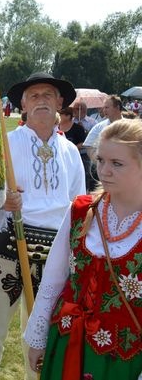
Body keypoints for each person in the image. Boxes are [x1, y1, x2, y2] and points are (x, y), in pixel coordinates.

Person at [0, 72, 86, 380]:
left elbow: (78, 206)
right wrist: (0, 201)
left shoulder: (70, 153)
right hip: (8, 252)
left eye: (48, 95)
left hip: (54, 258)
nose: (41, 100)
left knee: (40, 338)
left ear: (60, 103)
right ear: (22, 105)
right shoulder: (4, 147)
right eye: (34, 96)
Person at [24, 119, 142, 379]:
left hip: (122, 359)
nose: (104, 171)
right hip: (66, 342)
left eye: (117, 163)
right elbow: (53, 280)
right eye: (100, 160)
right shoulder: (81, 210)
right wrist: (37, 337)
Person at [83, 96, 124, 192]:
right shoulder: (99, 127)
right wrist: (99, 162)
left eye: (107, 107)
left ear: (117, 107)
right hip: (101, 174)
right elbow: (89, 145)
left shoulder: (129, 126)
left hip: (122, 172)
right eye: (103, 107)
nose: (104, 110)